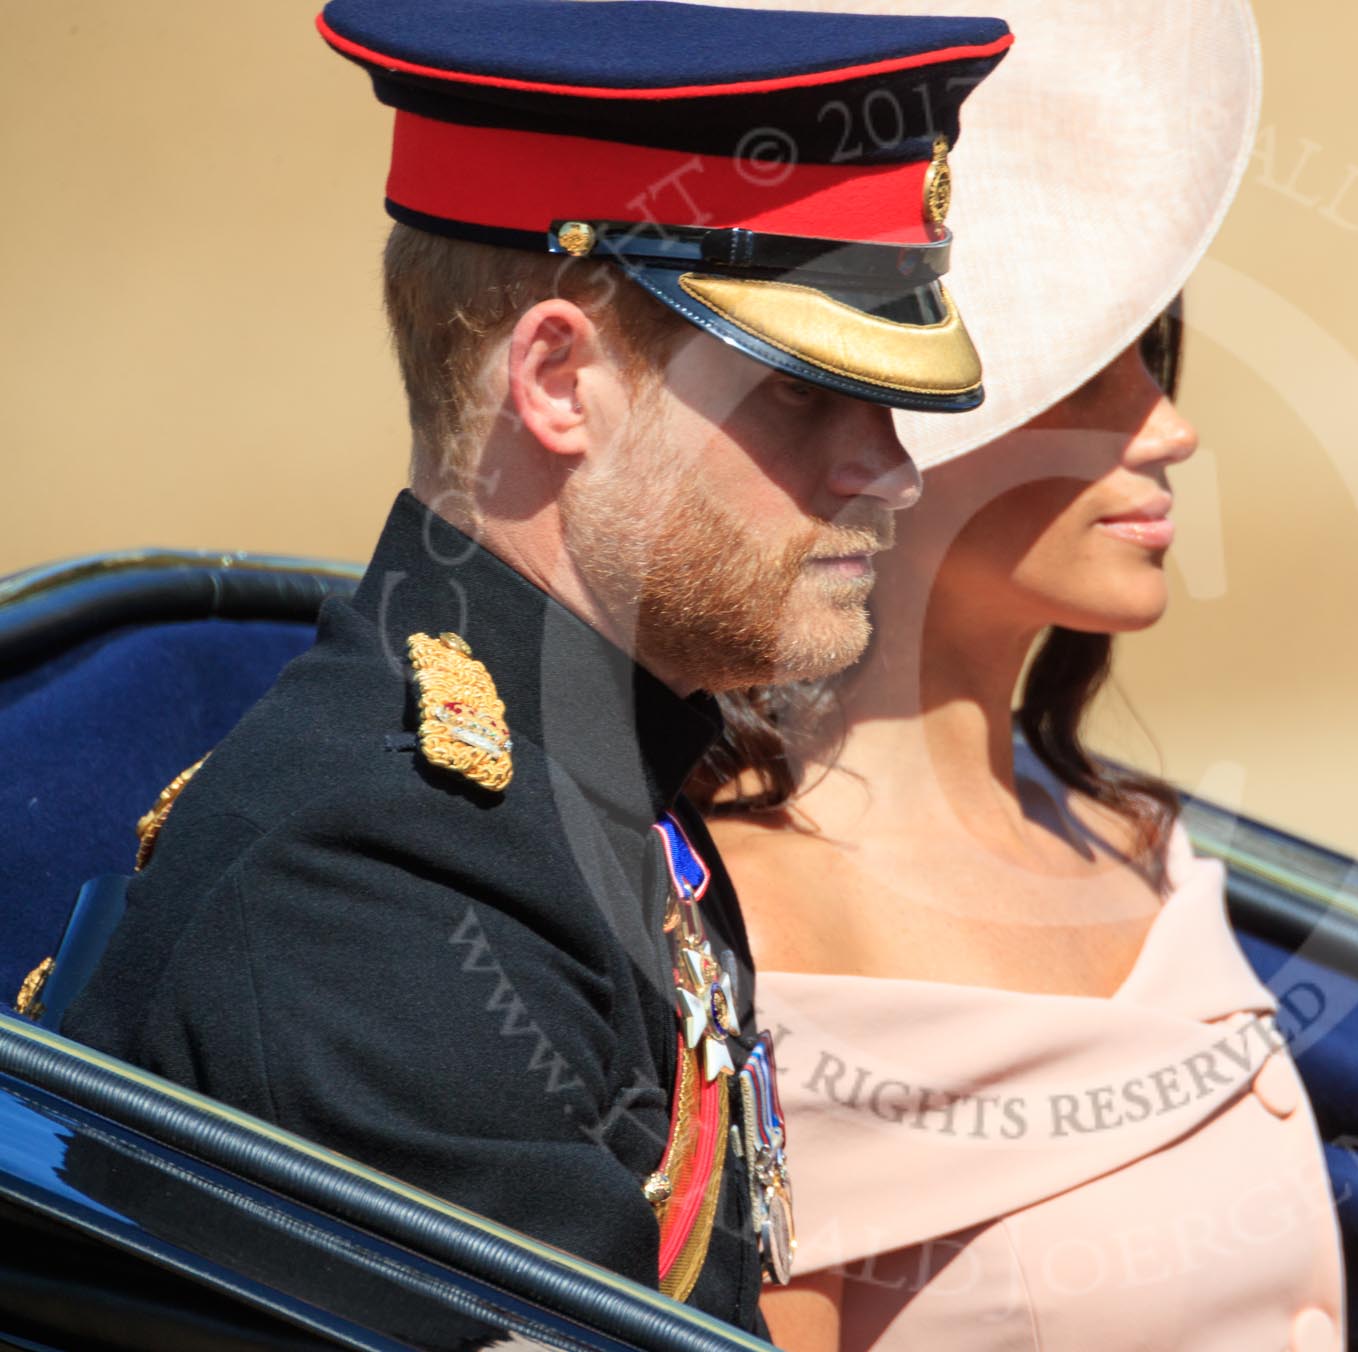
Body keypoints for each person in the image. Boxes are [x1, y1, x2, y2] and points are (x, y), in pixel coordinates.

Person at [58, 0, 1011, 1335]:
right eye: (798, 391)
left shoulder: (588, 782)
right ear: (559, 382)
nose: (891, 472)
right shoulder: (380, 885)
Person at [688, 2, 1346, 1347]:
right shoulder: (741, 931)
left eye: (1151, 355)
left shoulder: (1132, 842)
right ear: (890, 410)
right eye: (1082, 370)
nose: (1169, 425)